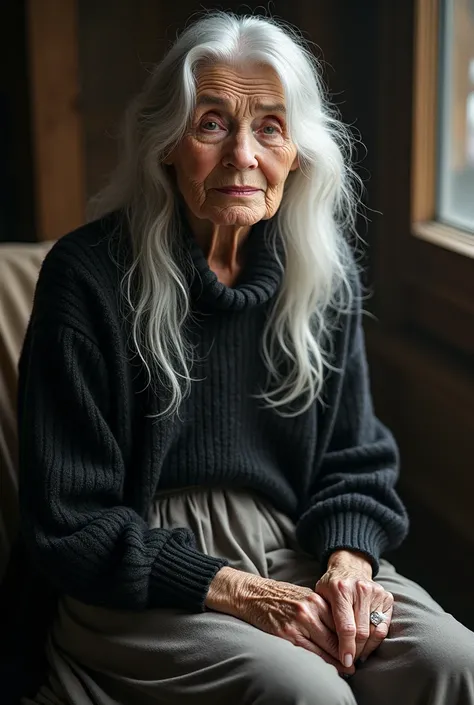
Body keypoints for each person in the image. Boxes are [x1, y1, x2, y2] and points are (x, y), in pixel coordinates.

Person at [5, 11, 474, 705]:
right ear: (166, 144)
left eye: (271, 127)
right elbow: (69, 521)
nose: (243, 156)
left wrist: (347, 564)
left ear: (299, 153)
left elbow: (356, 456)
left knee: (456, 660)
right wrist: (240, 590)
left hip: (295, 543)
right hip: (138, 573)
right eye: (213, 124)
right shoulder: (87, 277)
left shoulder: (323, 271)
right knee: (306, 692)